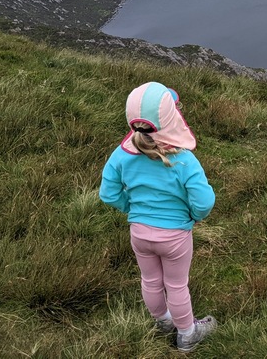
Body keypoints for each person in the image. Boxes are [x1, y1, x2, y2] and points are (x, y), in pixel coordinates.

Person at [99, 81, 218, 352]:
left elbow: (108, 193)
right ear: (171, 119)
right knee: (176, 285)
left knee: (150, 280)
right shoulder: (184, 159)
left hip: (139, 233)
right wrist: (194, 215)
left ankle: (163, 322)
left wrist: (131, 208)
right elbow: (204, 200)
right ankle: (187, 334)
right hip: (175, 235)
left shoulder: (121, 154)